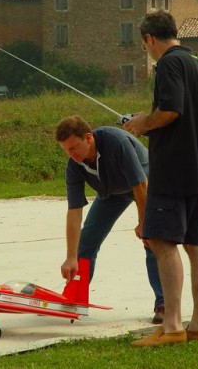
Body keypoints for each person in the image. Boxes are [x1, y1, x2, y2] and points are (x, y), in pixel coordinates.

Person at [123, 11, 198, 346]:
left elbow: (170, 111)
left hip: (173, 173)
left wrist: (142, 123)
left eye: (145, 45)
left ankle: (172, 327)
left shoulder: (168, 65)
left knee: (163, 243)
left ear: (149, 39)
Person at [55, 115, 164, 323]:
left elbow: (140, 184)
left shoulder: (116, 142)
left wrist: (144, 223)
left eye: (74, 148)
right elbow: (74, 211)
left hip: (148, 184)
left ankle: (163, 303)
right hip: (113, 193)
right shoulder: (74, 165)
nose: (71, 155)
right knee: (86, 244)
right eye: (66, 150)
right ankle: (75, 298)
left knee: (151, 239)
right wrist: (70, 257)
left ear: (88, 138)